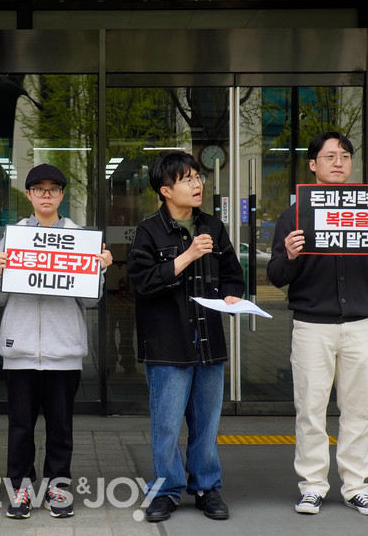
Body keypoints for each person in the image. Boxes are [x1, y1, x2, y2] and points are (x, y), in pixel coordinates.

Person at [266, 131, 368, 516]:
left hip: (361, 325)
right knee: (310, 410)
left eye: (345, 156)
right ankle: (312, 486)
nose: (339, 162)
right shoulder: (292, 216)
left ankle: (356, 487)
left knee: (358, 410)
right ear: (313, 164)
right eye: (330, 156)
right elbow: (277, 275)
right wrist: (291, 255)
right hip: (312, 326)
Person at [0, 164, 113, 520]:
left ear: (62, 195)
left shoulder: (79, 238)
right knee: (20, 428)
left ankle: (58, 488)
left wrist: (99, 270)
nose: (45, 195)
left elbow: (89, 301)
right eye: (38, 189)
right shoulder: (14, 238)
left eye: (52, 189)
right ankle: (22, 490)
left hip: (63, 351)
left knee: (60, 427)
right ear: (28, 195)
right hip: (20, 350)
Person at [127, 151, 245, 523]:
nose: (197, 184)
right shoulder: (149, 230)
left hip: (208, 338)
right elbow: (141, 283)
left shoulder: (213, 225)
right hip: (167, 343)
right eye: (187, 179)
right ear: (165, 190)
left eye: (198, 177)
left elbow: (233, 273)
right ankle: (166, 490)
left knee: (207, 422)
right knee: (166, 425)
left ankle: (206, 487)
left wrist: (231, 294)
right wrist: (187, 255)